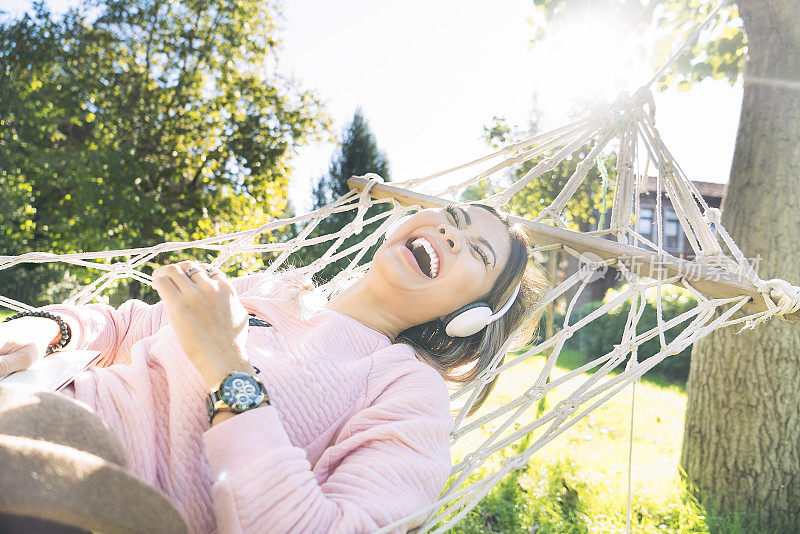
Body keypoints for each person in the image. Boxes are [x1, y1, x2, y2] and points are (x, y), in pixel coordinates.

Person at [0, 204, 548, 533]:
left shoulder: (407, 391)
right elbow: (128, 325)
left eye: (478, 252)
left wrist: (228, 370)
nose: (453, 232)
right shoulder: (274, 290)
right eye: (453, 216)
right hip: (39, 397)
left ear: (470, 318)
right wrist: (50, 330)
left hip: (100, 489)